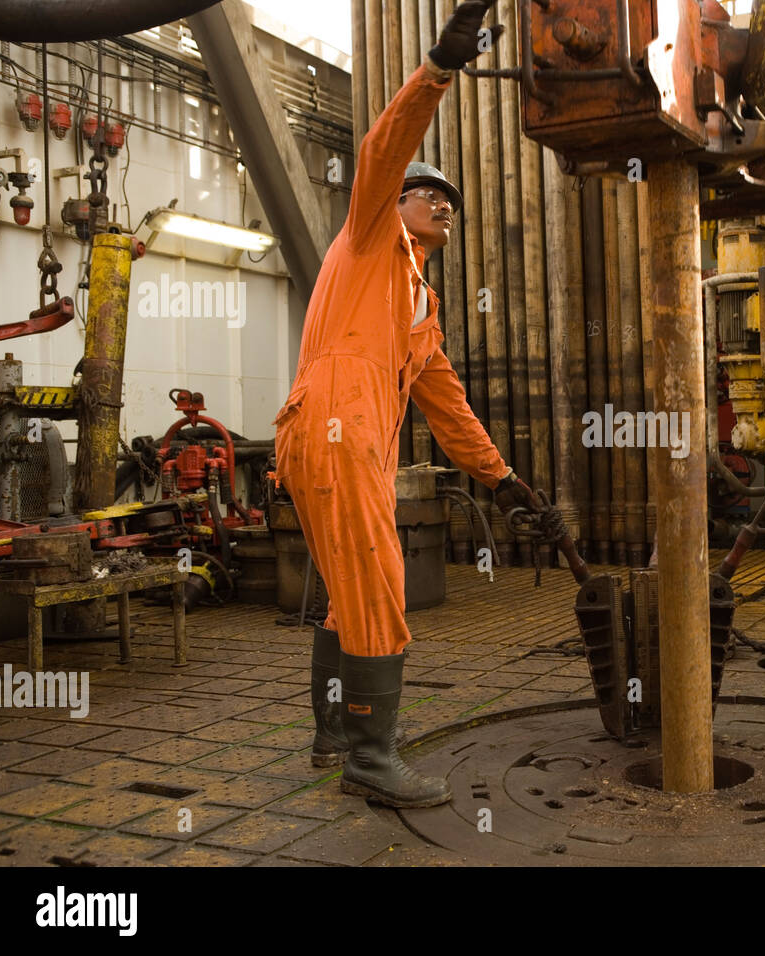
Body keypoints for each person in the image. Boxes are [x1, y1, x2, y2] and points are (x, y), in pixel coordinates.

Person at [274, 1, 538, 807]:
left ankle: (332, 735)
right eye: (430, 193)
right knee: (380, 584)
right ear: (396, 204)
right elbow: (384, 148)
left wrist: (504, 483)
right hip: (336, 423)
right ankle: (373, 759)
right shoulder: (366, 238)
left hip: (341, 435)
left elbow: (449, 406)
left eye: (450, 199)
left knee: (349, 590)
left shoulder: (415, 306)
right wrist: (436, 71)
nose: (443, 203)